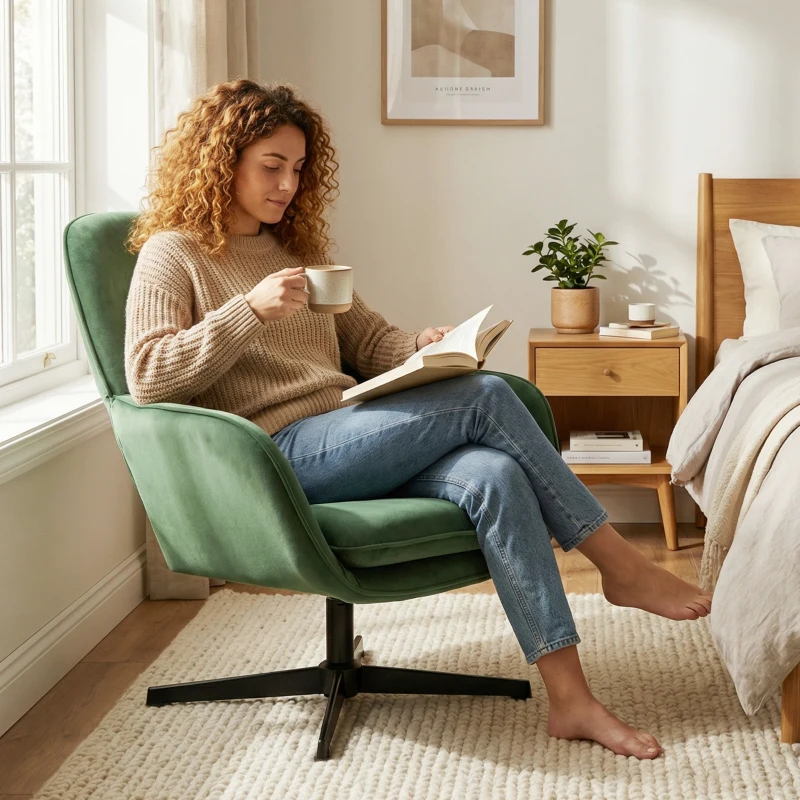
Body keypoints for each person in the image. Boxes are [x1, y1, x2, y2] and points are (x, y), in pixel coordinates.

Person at [125, 79, 712, 761]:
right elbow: (149, 374)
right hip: (274, 459)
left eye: (299, 168)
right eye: (271, 166)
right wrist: (247, 311)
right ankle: (619, 563)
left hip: (347, 434)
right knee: (485, 398)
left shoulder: (295, 252)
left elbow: (371, 342)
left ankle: (571, 700)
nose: (288, 185)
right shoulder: (175, 253)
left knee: (495, 475)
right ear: (222, 160)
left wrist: (423, 347)